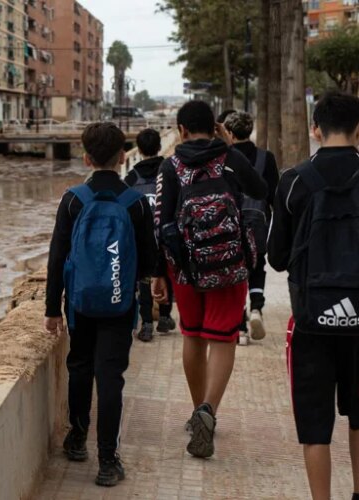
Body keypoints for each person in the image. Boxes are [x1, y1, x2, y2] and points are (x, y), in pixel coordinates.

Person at [151, 100, 267, 459]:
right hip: (230, 265)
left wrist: (159, 273)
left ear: (181, 130)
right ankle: (209, 410)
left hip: (186, 267)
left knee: (193, 335)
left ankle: (195, 409)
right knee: (223, 338)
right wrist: (229, 147)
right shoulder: (229, 158)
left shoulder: (170, 165)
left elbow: (161, 220)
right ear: (215, 127)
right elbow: (260, 190)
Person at [45, 122, 157, 487]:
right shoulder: (136, 203)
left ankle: (77, 438)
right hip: (120, 304)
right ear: (124, 156)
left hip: (79, 304)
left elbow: (57, 256)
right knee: (111, 378)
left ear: (86, 157)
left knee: (79, 367)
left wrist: (51, 308)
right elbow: (148, 260)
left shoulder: (73, 199)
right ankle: (108, 461)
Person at [269, 91, 359, 500]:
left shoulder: (293, 181)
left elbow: (278, 258)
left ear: (315, 128)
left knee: (315, 425)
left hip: (312, 320)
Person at [218, 111, 280, 345]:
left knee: (233, 273)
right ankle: (256, 308)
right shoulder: (266, 158)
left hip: (229, 224)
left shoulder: (224, 158)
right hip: (258, 222)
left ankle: (240, 328)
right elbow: (273, 194)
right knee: (257, 266)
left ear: (230, 133)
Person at [125, 128, 177, 342]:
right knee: (166, 273)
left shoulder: (131, 177)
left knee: (144, 279)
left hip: (141, 238)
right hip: (166, 234)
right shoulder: (170, 170)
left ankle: (146, 322)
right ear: (158, 147)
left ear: (139, 148)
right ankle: (164, 317)